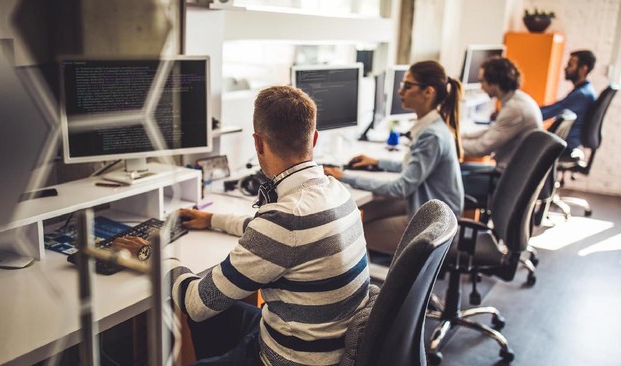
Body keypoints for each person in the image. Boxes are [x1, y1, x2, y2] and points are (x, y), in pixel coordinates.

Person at [161, 86, 370, 365]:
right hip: (321, 344)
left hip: (289, 359)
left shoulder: (283, 222)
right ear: (314, 138)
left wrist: (157, 257)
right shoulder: (336, 191)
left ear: (258, 143)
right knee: (218, 313)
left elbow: (196, 304)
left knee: (204, 308)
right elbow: (283, 236)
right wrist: (213, 220)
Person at [324, 60, 464, 256]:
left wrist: (344, 175)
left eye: (408, 86)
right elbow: (413, 166)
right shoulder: (432, 126)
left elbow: (401, 187)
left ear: (428, 92)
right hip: (429, 206)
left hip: (433, 221)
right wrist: (378, 162)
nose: (400, 92)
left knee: (352, 234)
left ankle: (383, 282)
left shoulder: (431, 135)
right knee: (366, 212)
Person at [460, 57, 543, 207]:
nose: (481, 87)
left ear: (495, 83)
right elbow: (492, 131)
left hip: (506, 179)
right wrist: (460, 136)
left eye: (483, 81)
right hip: (513, 173)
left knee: (442, 180)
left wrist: (452, 144)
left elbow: (481, 148)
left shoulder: (514, 109)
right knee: (456, 169)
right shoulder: (518, 100)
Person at [540, 50, 596, 153]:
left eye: (570, 65)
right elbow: (557, 106)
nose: (565, 68)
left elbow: (549, 112)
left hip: (566, 144)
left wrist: (527, 111)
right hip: (570, 142)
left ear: (583, 69)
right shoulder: (587, 90)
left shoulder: (581, 95)